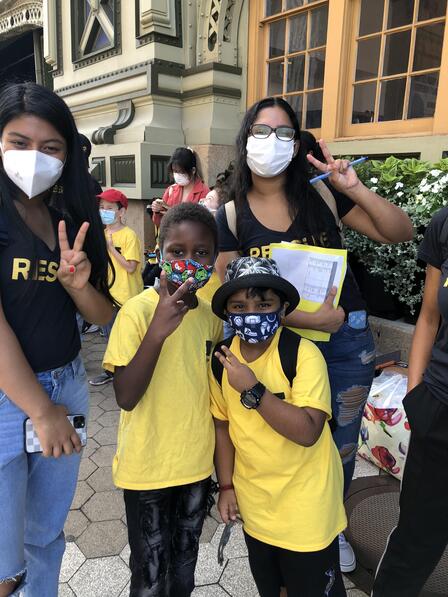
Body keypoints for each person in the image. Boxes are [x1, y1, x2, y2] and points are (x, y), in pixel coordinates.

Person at [214, 96, 414, 572]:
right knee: (285, 432)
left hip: (345, 343)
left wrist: (356, 188)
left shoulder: (322, 195)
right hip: (276, 343)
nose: (273, 143)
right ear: (245, 142)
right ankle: (279, 522)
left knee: (340, 443)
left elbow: (400, 232)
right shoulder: (230, 215)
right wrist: (307, 321)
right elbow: (228, 295)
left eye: (285, 133)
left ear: (297, 141)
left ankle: (331, 527)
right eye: (261, 132)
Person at [0, 81, 114, 597]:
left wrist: (78, 284)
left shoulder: (69, 218)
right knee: (3, 556)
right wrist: (41, 412)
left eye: (50, 147)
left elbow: (102, 315)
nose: (33, 158)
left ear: (67, 154)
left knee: (45, 536)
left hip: (66, 384)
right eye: (18, 142)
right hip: (10, 399)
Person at [103, 203, 222, 596]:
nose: (189, 261)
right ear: (159, 250)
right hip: (147, 469)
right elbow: (126, 396)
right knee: (150, 575)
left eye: (201, 253)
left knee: (184, 569)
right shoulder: (137, 313)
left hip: (194, 465)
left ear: (215, 258)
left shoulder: (209, 317)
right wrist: (157, 331)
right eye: (177, 251)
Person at [210, 256, 347, 597]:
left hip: (307, 510)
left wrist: (253, 389)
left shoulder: (303, 355)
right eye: (239, 306)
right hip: (256, 509)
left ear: (283, 309)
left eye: (264, 303)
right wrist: (226, 486)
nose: (251, 313)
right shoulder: (222, 361)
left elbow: (308, 431)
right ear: (227, 312)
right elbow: (222, 425)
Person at [373, 208, 448, 596]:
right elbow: (429, 318)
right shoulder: (445, 223)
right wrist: (415, 394)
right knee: (415, 539)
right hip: (437, 409)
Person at [89, 188, 143, 386]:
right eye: (102, 207)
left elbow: (130, 267)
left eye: (109, 208)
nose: (104, 211)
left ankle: (130, 372)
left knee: (126, 336)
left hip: (126, 296)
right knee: (110, 335)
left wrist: (111, 248)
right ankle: (112, 371)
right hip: (107, 294)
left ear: (121, 212)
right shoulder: (102, 234)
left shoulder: (129, 236)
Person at [151, 146, 209, 229]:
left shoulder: (204, 192)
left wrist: (173, 213)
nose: (177, 175)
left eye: (181, 172)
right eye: (174, 171)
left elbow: (205, 224)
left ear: (193, 171)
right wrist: (157, 211)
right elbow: (159, 223)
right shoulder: (171, 190)